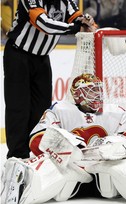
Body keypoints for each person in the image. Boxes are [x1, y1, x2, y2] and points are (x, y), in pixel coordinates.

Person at [1, 73, 126, 204]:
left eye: (98, 90)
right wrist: (68, 149)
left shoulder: (115, 111)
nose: (97, 95)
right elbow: (37, 139)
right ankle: (22, 189)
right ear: (78, 95)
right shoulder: (60, 109)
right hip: (71, 168)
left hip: (104, 167)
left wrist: (116, 147)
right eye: (91, 90)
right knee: (47, 164)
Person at [3, 0, 97, 159]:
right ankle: (18, 156)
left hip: (42, 59)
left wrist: (86, 22)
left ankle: (36, 152)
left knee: (42, 110)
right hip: (18, 56)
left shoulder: (66, 1)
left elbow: (76, 17)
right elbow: (43, 23)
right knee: (18, 109)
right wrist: (74, 27)